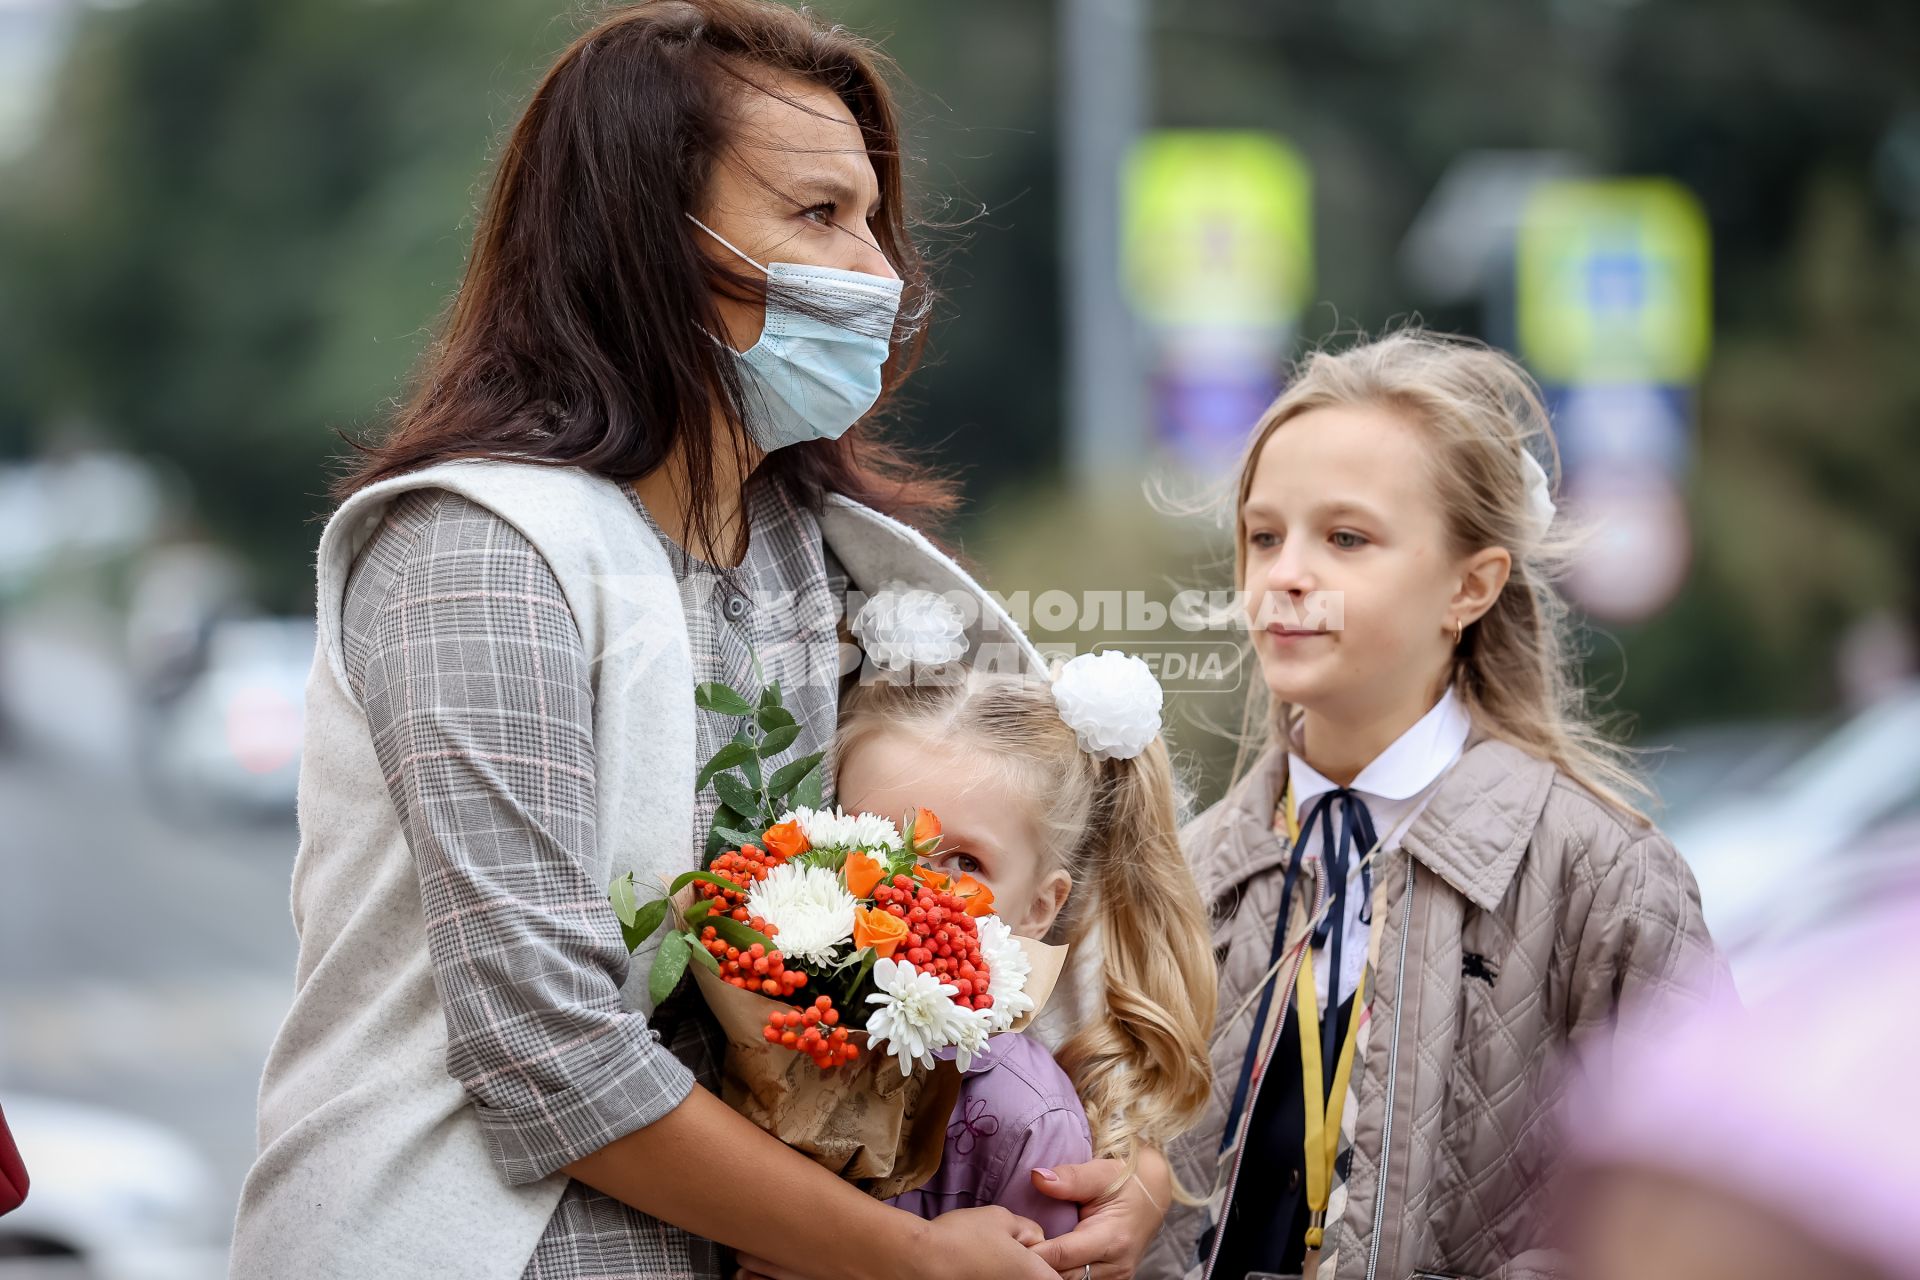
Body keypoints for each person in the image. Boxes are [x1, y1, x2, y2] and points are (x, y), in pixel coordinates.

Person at [229, 3, 1160, 1277]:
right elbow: (546, 1052)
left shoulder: (819, 559)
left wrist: (1111, 1154)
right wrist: (906, 1255)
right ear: (646, 242)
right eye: (820, 217)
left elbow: (1006, 901)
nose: (882, 273)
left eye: (877, 221)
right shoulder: (475, 554)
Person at [1143, 330, 1730, 1280]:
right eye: (1263, 536)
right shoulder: (1185, 874)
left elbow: (1710, 1218)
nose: (1284, 575)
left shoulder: (1604, 876)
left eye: (1345, 538)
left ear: (1471, 585)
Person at [826, 660, 1218, 1238]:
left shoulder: (1026, 1122)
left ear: (1040, 907)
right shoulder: (757, 1021)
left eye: (964, 863)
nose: (906, 887)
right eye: (873, 839)